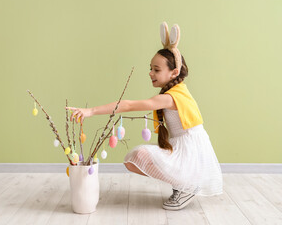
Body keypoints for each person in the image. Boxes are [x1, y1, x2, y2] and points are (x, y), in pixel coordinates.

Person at [65, 22, 223, 211]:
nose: (150, 73)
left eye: (156, 70)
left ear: (174, 72)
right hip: (185, 147)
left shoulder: (169, 98)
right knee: (133, 160)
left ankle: (187, 186)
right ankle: (183, 184)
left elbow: (129, 105)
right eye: (151, 68)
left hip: (189, 152)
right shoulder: (177, 92)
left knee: (139, 156)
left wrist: (91, 111)